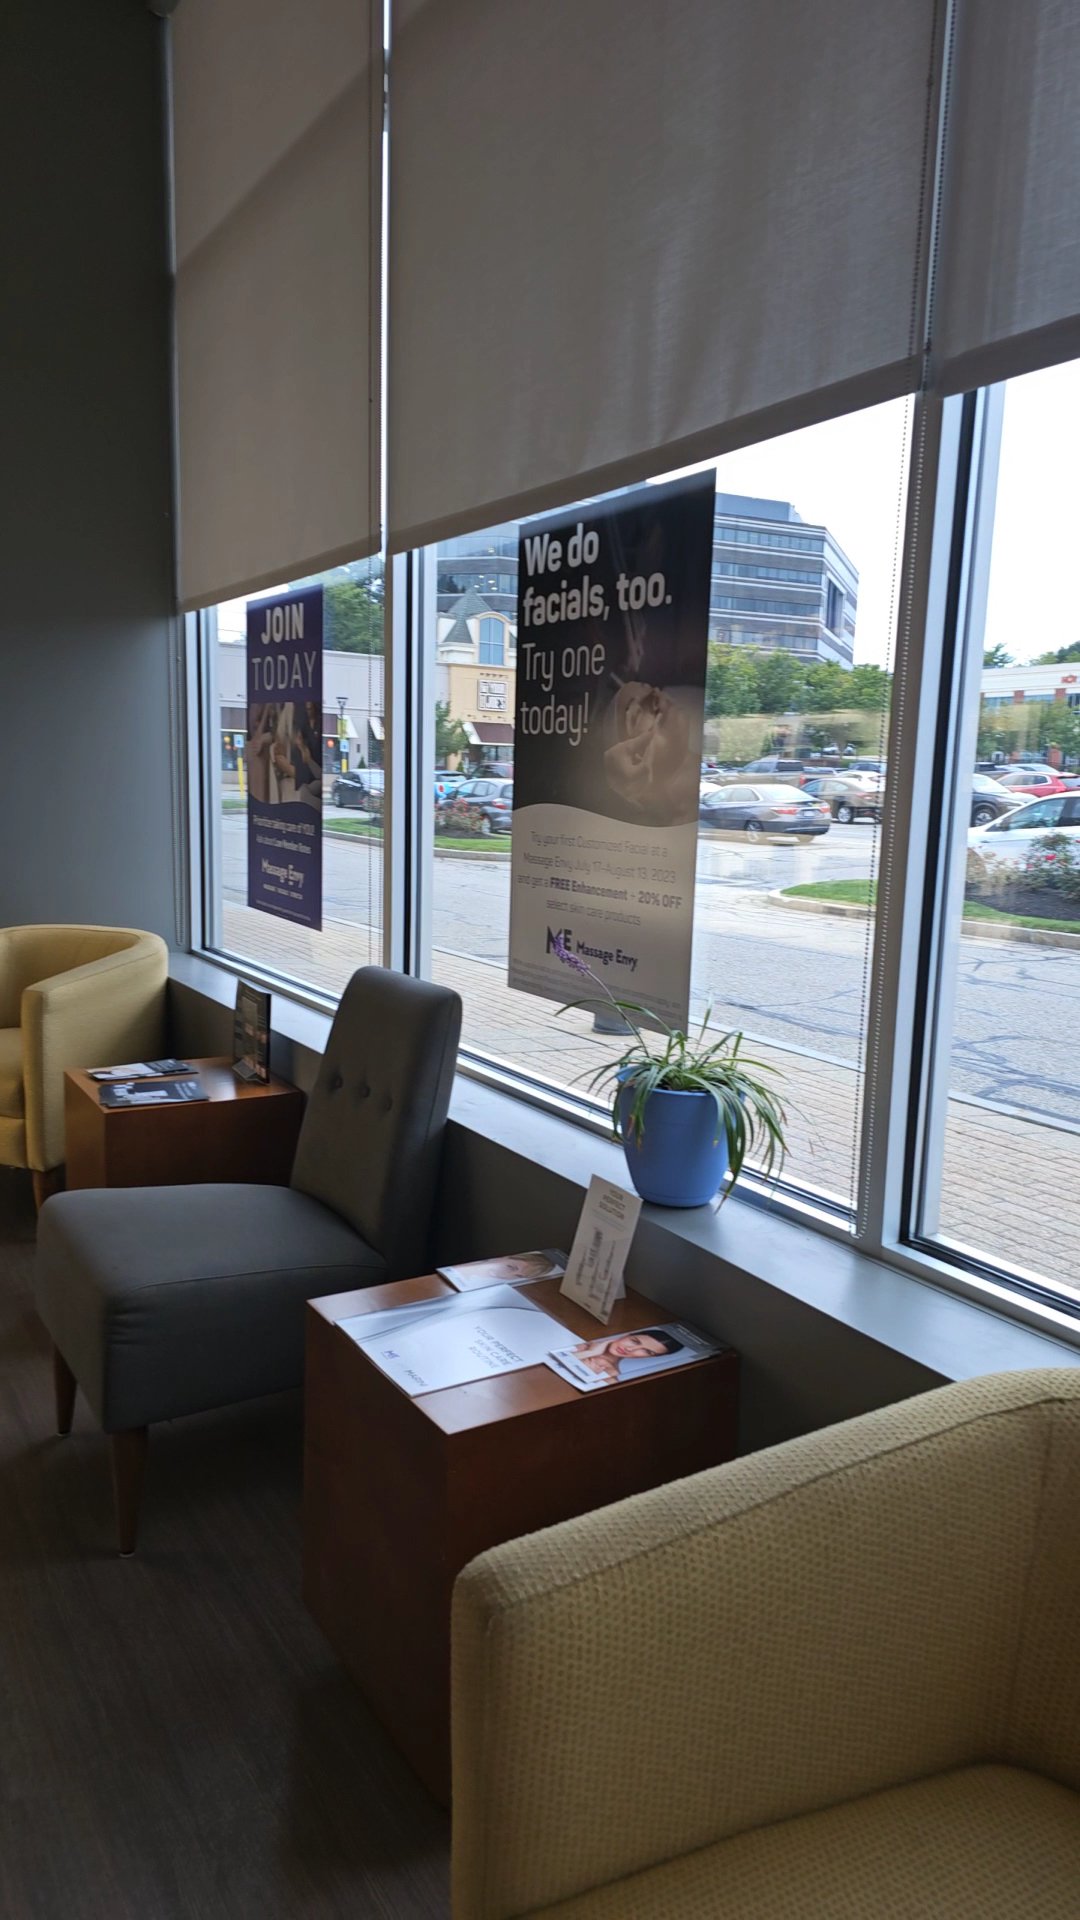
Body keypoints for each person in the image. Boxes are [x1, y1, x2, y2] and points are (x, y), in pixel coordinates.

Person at [570, 1326, 686, 1383]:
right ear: (628, 1335)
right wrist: (591, 1352)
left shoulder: (611, 1375)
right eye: (635, 1341)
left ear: (650, 1357)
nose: (630, 1349)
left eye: (647, 1351)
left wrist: (590, 1353)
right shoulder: (588, 1337)